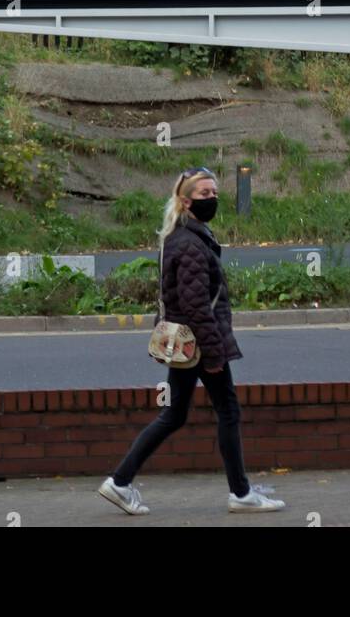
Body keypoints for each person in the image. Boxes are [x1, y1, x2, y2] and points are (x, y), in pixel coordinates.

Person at [98, 168, 286, 516]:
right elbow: (196, 305)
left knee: (174, 414)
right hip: (200, 343)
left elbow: (170, 297)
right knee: (227, 411)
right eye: (203, 194)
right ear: (185, 202)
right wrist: (214, 354)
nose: (212, 198)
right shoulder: (190, 244)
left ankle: (120, 482)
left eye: (214, 192)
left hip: (185, 343)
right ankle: (241, 494)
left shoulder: (182, 236)